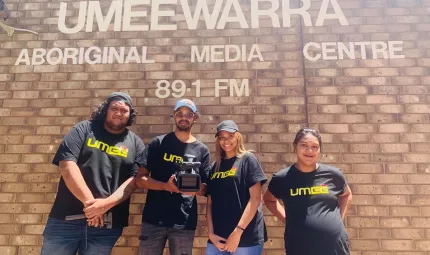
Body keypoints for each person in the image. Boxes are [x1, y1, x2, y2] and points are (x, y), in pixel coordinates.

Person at [41, 92, 146, 255]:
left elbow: (133, 181)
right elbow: (67, 166)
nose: (119, 113)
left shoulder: (136, 143)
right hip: (65, 221)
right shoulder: (84, 129)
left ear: (130, 114)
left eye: (124, 110)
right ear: (105, 110)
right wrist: (92, 205)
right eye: (114, 108)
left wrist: (105, 205)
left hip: (106, 226)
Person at [136, 98, 211, 255]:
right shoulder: (158, 143)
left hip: (183, 222)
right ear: (174, 116)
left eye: (189, 114)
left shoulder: (202, 150)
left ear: (195, 117)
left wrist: (195, 189)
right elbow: (140, 179)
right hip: (154, 219)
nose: (184, 117)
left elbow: (206, 189)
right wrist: (165, 186)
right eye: (179, 113)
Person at [263, 128, 353, 255]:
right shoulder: (282, 178)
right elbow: (268, 199)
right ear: (295, 146)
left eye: (315, 146)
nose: (309, 150)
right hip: (299, 245)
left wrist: (339, 219)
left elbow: (346, 195)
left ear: (320, 149)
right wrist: (286, 219)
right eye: (304, 145)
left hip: (334, 246)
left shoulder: (333, 174)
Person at [206, 120, 268, 255]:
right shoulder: (214, 167)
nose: (226, 141)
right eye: (221, 137)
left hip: (245, 237)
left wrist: (237, 232)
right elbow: (210, 203)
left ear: (238, 137)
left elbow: (256, 199)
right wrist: (210, 233)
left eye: (230, 136)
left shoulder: (247, 159)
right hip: (218, 238)